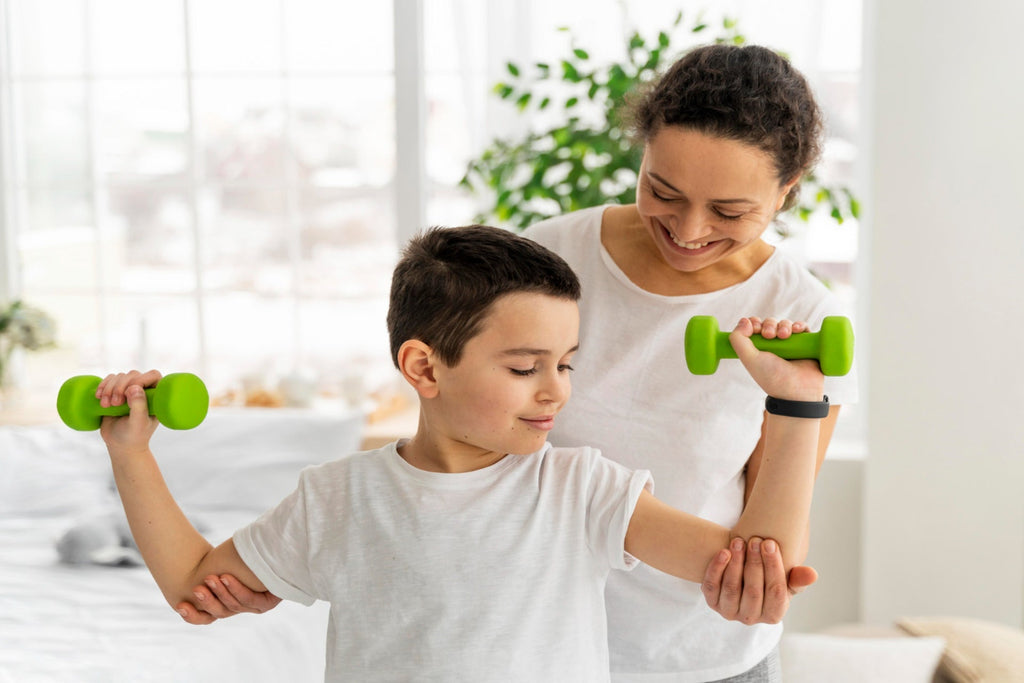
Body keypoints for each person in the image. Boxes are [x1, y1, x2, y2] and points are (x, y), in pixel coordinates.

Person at [176, 43, 856, 681]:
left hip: (695, 651)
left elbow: (768, 558)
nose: (689, 228)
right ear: (642, 155)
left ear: (788, 189)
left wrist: (796, 401)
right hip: (523, 636)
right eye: (664, 191)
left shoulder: (801, 317)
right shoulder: (551, 261)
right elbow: (461, 432)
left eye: (730, 210)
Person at [97, 225, 827, 682]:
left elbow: (751, 561)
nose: (555, 392)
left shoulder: (583, 489)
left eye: (566, 363)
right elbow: (194, 584)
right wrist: (131, 451)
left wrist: (794, 405)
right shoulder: (337, 499)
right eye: (524, 367)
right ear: (423, 368)